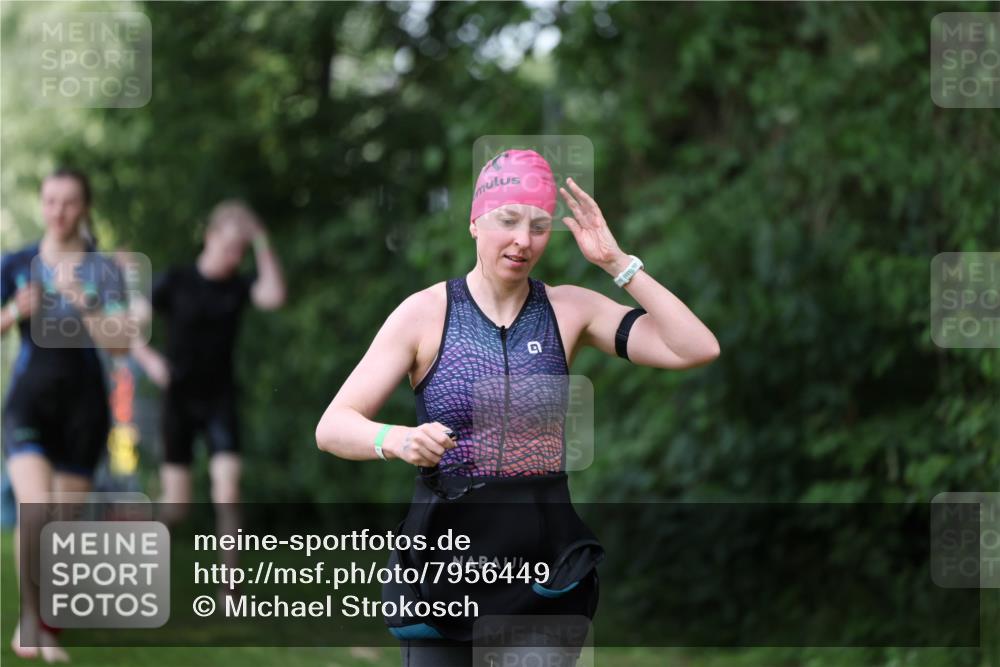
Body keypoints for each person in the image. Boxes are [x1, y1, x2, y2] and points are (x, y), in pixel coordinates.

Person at [315, 149, 720, 666]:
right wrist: (394, 439)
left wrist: (618, 265)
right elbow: (332, 426)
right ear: (475, 221)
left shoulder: (570, 310)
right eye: (508, 221)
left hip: (540, 564)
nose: (523, 241)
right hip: (446, 564)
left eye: (539, 226)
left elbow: (696, 347)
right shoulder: (424, 313)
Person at [1, 167, 131, 662]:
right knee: (33, 511)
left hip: (84, 410)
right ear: (41, 204)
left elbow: (123, 342)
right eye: (51, 201)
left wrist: (86, 303)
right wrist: (15, 311)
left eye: (70, 202)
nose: (59, 212)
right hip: (28, 404)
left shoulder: (103, 270)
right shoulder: (15, 262)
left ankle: (47, 615)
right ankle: (32, 622)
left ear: (85, 208)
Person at [132, 200, 285, 598]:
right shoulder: (175, 281)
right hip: (178, 400)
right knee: (177, 508)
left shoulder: (238, 286)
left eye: (241, 249)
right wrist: (150, 361)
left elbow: (273, 296)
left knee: (228, 490)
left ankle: (229, 587)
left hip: (220, 399)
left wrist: (261, 238)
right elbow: (129, 327)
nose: (235, 256)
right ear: (210, 236)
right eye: (230, 246)